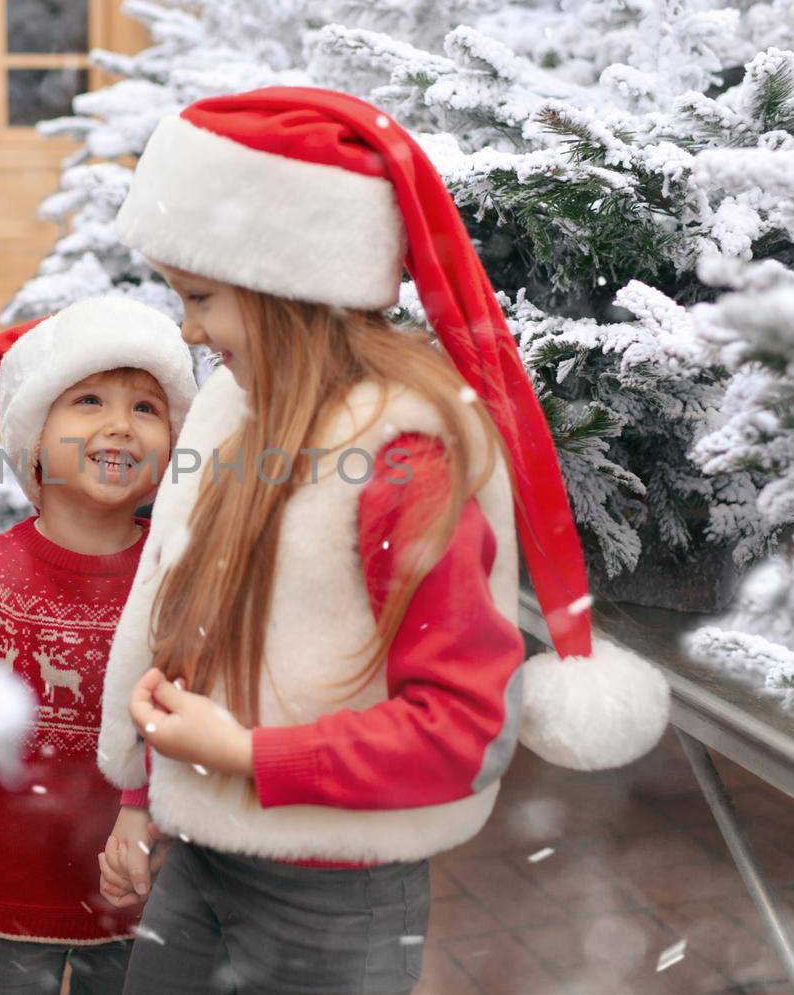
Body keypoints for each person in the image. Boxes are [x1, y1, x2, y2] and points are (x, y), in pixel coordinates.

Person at [94, 87, 671, 994]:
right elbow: (185, 625)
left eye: (201, 297)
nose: (188, 330)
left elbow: (462, 728)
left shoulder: (397, 459)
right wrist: (142, 802)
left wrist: (248, 756)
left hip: (330, 901)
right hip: (200, 856)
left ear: (286, 284)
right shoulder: (234, 410)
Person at [0, 294, 198, 994]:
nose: (120, 424)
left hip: (141, 887)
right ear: (34, 442)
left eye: (146, 407)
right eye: (89, 400)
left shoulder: (176, 573)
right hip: (9, 893)